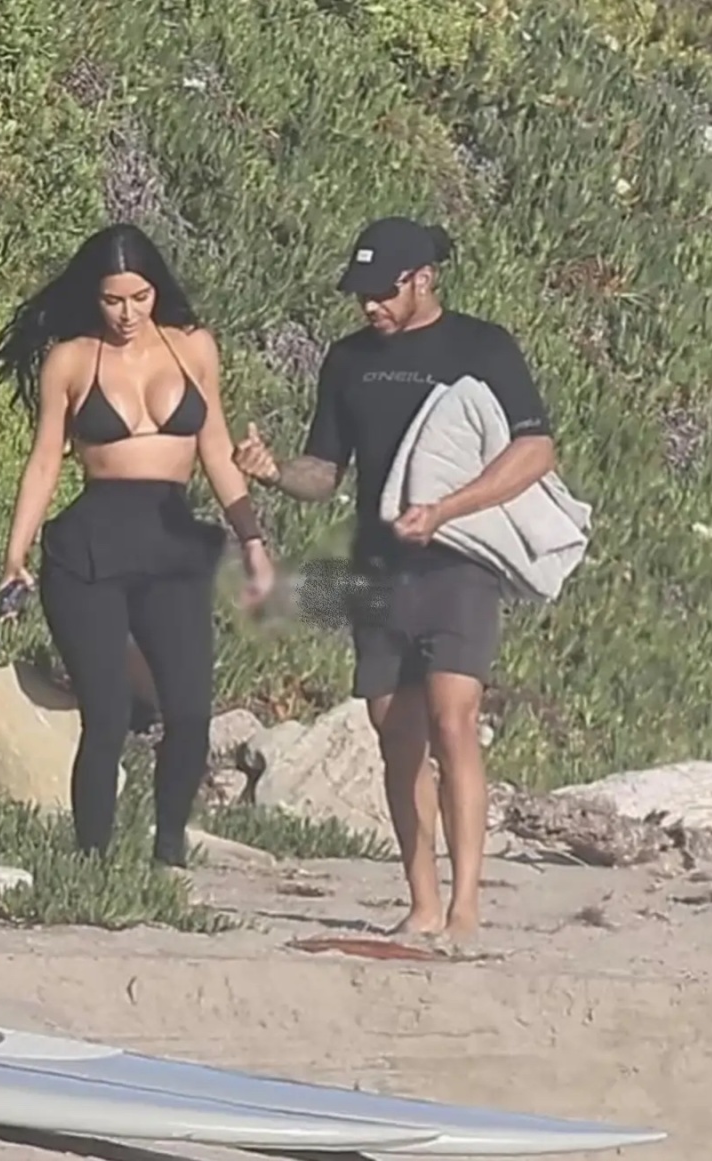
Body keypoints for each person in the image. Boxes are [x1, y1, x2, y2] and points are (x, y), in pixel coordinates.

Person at [233, 216, 555, 938]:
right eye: (361, 293)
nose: (369, 305)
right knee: (394, 731)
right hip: (376, 569)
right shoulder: (348, 360)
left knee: (453, 720)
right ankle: (423, 902)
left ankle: (465, 907)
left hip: (459, 561)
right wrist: (275, 470)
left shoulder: (482, 346)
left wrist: (448, 509)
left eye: (382, 291)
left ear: (423, 279)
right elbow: (325, 472)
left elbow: (536, 449)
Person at [0, 223, 275, 868]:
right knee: (108, 713)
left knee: (189, 712)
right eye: (113, 300)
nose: (127, 313)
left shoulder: (193, 346)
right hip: (89, 552)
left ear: (155, 289)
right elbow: (44, 463)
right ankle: (92, 863)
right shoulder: (71, 359)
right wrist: (14, 557)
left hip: (172, 546)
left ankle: (168, 857)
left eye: (139, 297)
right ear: (94, 296)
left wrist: (252, 537)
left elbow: (215, 449)